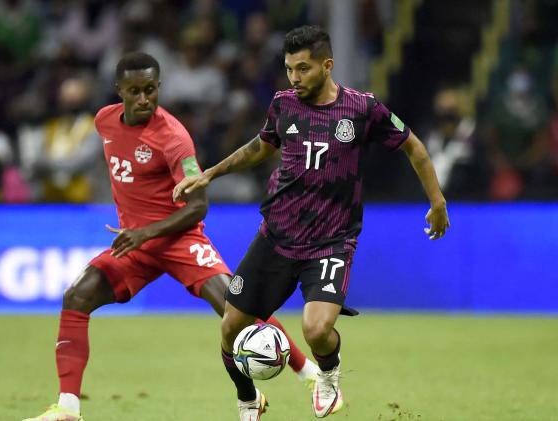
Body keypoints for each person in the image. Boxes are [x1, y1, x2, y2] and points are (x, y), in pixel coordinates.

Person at [174, 26, 450, 419]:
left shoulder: (362, 108)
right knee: (230, 328)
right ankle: (248, 397)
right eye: (289, 69)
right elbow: (259, 146)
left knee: (317, 330)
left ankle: (329, 375)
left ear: (327, 65)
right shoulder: (283, 104)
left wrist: (437, 201)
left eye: (303, 69)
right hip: (276, 235)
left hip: (331, 241)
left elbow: (414, 147)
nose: (294, 78)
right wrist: (210, 173)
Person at [23, 52, 318, 421]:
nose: (144, 98)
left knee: (237, 309)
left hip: (178, 241)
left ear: (159, 87)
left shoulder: (174, 138)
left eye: (150, 89)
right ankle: (68, 407)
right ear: (119, 92)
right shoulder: (103, 122)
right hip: (136, 245)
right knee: (76, 296)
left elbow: (198, 206)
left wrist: (144, 231)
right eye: (135, 91)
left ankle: (311, 375)